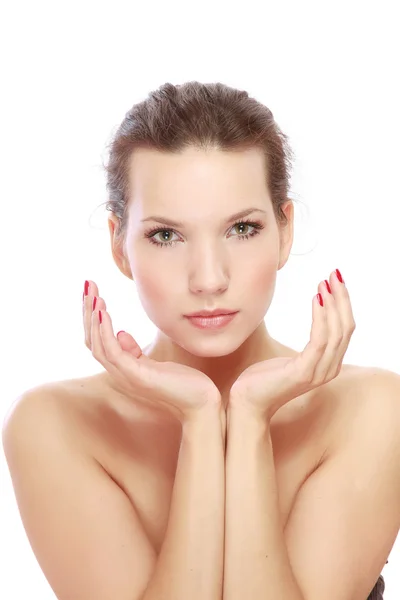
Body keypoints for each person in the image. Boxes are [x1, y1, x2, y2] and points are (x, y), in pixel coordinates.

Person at [2, 81, 399, 600]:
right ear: (120, 248)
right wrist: (201, 419)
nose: (209, 279)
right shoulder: (54, 426)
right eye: (166, 235)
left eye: (242, 228)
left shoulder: (375, 411)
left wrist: (251, 416)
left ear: (285, 231)